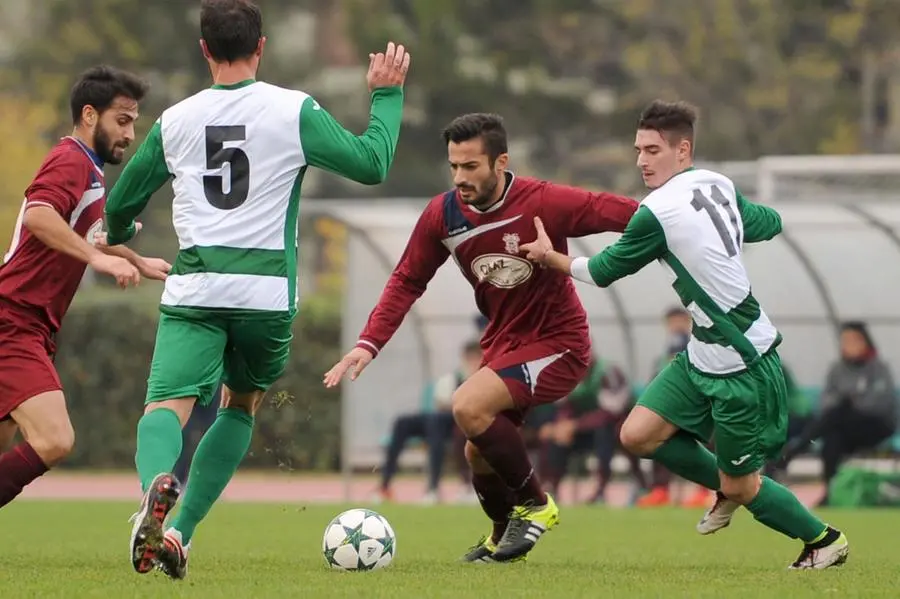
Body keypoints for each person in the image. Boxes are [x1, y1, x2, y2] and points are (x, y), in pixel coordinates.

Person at [101, 0, 410, 580]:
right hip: (265, 293)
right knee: (239, 405)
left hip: (195, 286)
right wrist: (387, 95)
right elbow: (372, 164)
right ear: (261, 47)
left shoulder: (176, 120)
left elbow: (120, 206)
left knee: (166, 405)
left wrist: (120, 235)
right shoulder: (292, 110)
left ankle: (152, 494)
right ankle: (178, 532)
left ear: (203, 50)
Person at [519, 99, 848, 569]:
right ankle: (727, 485)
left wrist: (551, 257)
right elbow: (768, 223)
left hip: (742, 361)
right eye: (638, 150)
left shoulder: (658, 210)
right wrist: (733, 230)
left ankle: (822, 539)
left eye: (652, 150)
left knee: (742, 486)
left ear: (683, 149)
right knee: (637, 434)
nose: (641, 161)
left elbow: (604, 270)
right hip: (704, 352)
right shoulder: (719, 184)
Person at [324, 112, 638, 562]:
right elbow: (407, 280)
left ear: (501, 162)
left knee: (468, 405)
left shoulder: (545, 202)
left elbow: (624, 213)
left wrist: (681, 228)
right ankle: (499, 538)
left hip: (559, 344)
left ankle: (537, 505)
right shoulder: (444, 214)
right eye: (454, 166)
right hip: (504, 346)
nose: (460, 177)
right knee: (478, 453)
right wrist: (367, 343)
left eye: (470, 166)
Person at [0, 65, 166, 510]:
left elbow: (95, 234)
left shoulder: (90, 171)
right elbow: (39, 214)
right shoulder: (71, 158)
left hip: (29, 324)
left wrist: (134, 258)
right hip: (12, 320)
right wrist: (99, 260)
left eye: (134, 123)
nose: (130, 134)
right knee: (54, 439)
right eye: (123, 120)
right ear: (89, 115)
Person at [777, 321, 897, 505]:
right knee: (833, 436)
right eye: (845, 341)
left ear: (865, 341)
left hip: (875, 426)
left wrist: (851, 402)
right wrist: (847, 401)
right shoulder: (838, 369)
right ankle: (830, 490)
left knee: (838, 413)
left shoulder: (879, 369)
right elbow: (826, 400)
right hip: (844, 426)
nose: (849, 345)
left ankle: (797, 449)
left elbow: (880, 403)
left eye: (853, 340)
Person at [376, 340, 482, 504]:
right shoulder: (453, 378)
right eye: (470, 358)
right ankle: (384, 486)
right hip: (443, 419)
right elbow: (441, 402)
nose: (472, 362)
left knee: (435, 423)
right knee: (403, 422)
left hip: (463, 423)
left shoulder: (486, 380)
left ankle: (432, 488)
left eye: (476, 358)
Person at [539, 356, 647, 504]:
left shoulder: (608, 373)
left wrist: (575, 425)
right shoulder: (568, 374)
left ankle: (604, 489)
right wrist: (561, 426)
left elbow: (611, 413)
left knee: (605, 433)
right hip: (585, 431)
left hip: (617, 430)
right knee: (555, 437)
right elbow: (566, 407)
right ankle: (550, 487)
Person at [637, 306, 713, 508]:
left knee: (705, 437)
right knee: (652, 434)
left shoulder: (700, 352)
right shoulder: (660, 360)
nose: (676, 326)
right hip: (670, 414)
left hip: (697, 413)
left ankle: (704, 491)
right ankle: (660, 490)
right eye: (672, 322)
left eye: (681, 321)